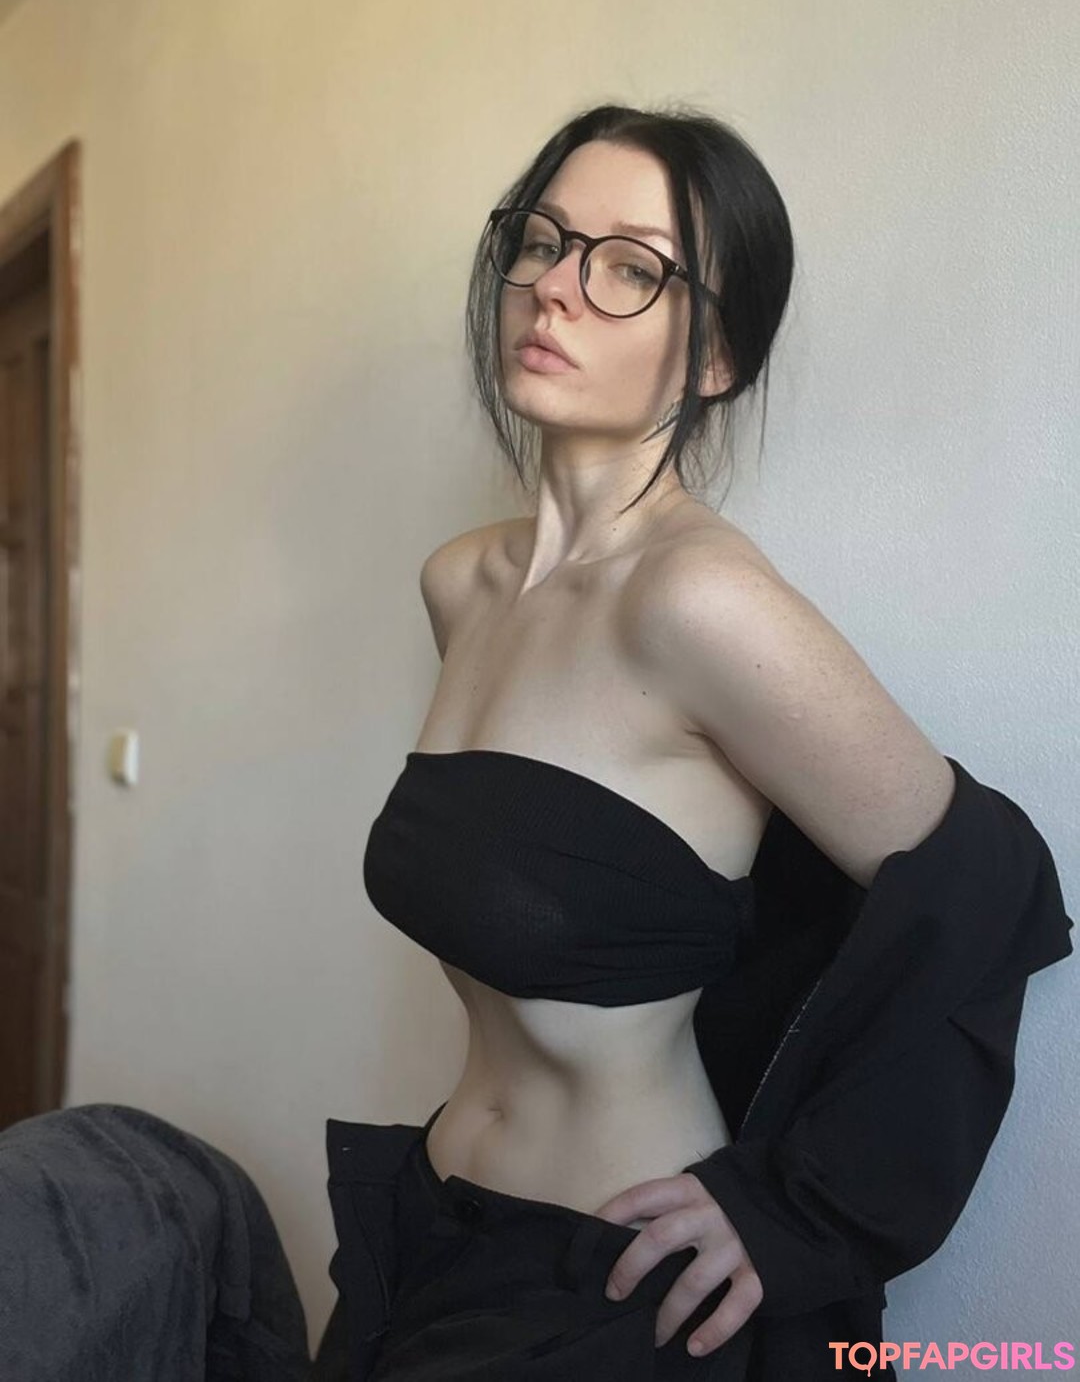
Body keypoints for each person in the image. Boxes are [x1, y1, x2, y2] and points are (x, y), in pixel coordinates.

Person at [320, 103, 1073, 1381]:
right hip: (431, 1227)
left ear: (714, 355)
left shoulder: (698, 602)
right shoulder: (462, 585)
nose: (555, 288)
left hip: (610, 1282)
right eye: (543, 240)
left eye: (629, 267)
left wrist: (798, 1210)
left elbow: (990, 888)